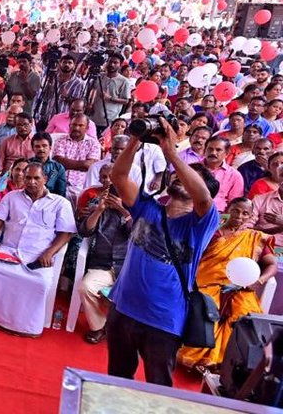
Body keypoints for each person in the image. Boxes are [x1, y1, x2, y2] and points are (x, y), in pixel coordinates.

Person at [108, 114, 221, 387]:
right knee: (117, 379)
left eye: (197, 176)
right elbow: (118, 175)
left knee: (157, 386)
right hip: (123, 309)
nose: (184, 178)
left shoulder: (201, 222)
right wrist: (136, 138)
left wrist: (171, 151)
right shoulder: (148, 207)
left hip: (164, 319)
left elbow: (203, 197)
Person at [0, 162, 76, 336]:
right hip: (8, 250)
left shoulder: (60, 203)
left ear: (44, 179)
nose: (31, 182)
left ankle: (25, 327)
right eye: (28, 177)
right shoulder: (12, 197)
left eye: (36, 178)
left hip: (38, 256)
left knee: (40, 282)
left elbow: (66, 233)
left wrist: (49, 252)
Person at [177, 198, 278, 370]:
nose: (239, 216)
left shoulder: (255, 238)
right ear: (228, 209)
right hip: (208, 285)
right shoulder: (213, 233)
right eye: (236, 210)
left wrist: (259, 280)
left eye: (245, 213)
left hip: (242, 289)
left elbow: (272, 265)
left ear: (250, 216)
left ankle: (231, 365)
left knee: (245, 317)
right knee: (208, 314)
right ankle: (203, 359)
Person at [75, 164, 133, 344]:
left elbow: (140, 235)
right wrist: (99, 210)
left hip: (129, 268)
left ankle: (129, 333)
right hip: (102, 265)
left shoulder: (136, 206)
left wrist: (124, 210)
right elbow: (84, 232)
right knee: (86, 287)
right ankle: (99, 327)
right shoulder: (97, 204)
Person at [52, 115, 102, 198]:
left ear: (87, 128)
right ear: (69, 126)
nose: (76, 128)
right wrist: (83, 164)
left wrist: (67, 163)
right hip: (59, 183)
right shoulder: (60, 140)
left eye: (80, 125)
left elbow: (90, 165)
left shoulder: (93, 143)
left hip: (81, 186)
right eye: (74, 125)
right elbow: (58, 162)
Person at [202, 137, 244, 212]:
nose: (213, 153)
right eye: (210, 149)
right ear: (205, 150)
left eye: (218, 150)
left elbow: (234, 203)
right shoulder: (192, 169)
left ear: (227, 153)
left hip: (218, 214)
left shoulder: (234, 175)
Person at [29, 132, 68, 197]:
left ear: (50, 148)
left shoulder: (58, 168)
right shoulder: (27, 165)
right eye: (37, 146)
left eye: (44, 146)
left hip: (51, 201)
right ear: (33, 149)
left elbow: (61, 192)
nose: (41, 149)